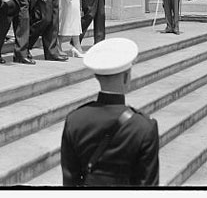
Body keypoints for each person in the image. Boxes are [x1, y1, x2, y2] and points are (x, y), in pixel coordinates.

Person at [61, 38, 159, 186]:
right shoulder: (144, 127)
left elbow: (69, 181)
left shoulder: (74, 120)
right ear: (127, 76)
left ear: (96, 76)